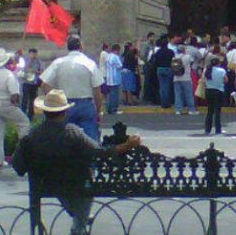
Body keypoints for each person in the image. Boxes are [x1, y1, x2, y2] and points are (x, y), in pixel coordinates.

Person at [11, 89, 142, 235]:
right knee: (84, 186)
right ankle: (79, 225)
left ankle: (80, 220)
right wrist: (127, 145)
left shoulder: (31, 135)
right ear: (65, 112)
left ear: (45, 112)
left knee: (64, 188)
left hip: (44, 185)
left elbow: (18, 166)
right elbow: (99, 152)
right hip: (75, 184)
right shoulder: (72, 133)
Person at [40, 35, 105, 142]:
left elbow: (44, 84)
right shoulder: (90, 63)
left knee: (65, 139)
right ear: (81, 46)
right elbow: (97, 91)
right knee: (90, 141)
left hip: (65, 105)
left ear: (68, 46)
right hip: (85, 105)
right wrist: (98, 110)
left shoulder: (59, 63)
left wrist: (54, 100)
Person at [0, 48, 31, 167]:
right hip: (5, 103)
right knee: (24, 123)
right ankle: (25, 154)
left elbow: (9, 60)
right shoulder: (9, 76)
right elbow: (14, 96)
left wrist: (15, 57)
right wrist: (15, 105)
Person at [204, 57, 228, 135]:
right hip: (218, 91)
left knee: (210, 111)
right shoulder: (222, 70)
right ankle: (218, 129)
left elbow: (204, 80)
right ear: (218, 63)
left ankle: (207, 129)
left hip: (208, 90)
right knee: (217, 112)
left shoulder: (206, 70)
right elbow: (225, 80)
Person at [173, 45, 199, 115]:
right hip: (186, 78)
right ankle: (191, 109)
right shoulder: (187, 57)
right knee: (188, 94)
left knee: (178, 94)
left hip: (176, 78)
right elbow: (192, 61)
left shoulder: (174, 57)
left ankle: (178, 110)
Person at [21, 48, 44, 121]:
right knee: (24, 99)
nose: (33, 55)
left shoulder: (38, 62)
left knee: (32, 100)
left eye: (34, 54)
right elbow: (22, 69)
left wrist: (35, 71)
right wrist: (29, 62)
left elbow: (41, 71)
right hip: (26, 82)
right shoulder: (25, 60)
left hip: (34, 83)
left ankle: (30, 116)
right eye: (31, 53)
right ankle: (22, 114)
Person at [154, 38, 175, 109]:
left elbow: (155, 61)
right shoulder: (170, 52)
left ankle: (162, 103)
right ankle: (167, 102)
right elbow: (173, 61)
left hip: (159, 69)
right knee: (168, 86)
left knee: (162, 86)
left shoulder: (158, 52)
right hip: (168, 69)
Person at [104, 44, 124, 115]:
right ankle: (114, 110)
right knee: (114, 95)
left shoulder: (107, 56)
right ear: (117, 50)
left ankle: (108, 109)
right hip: (115, 78)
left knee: (109, 95)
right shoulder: (115, 57)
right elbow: (120, 66)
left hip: (109, 78)